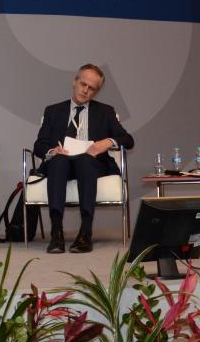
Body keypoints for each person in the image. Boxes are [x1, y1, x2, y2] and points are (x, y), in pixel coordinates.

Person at [33, 63, 134, 254]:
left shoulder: (105, 111)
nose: (85, 90)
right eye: (83, 84)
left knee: (85, 161)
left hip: (92, 163)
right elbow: (39, 145)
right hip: (62, 162)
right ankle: (57, 234)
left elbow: (128, 140)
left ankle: (85, 233)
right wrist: (52, 151)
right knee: (58, 162)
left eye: (91, 88)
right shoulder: (53, 111)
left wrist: (108, 142)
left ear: (96, 91)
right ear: (75, 82)